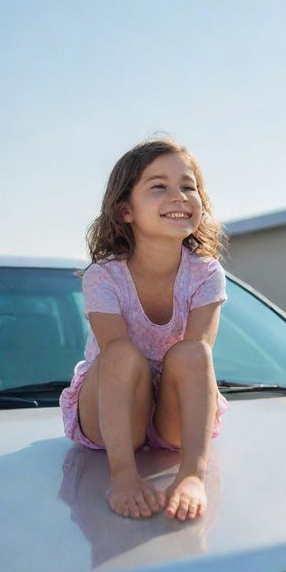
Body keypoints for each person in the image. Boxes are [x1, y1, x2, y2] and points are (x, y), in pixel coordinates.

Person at [59, 135, 231, 522]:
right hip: (115, 412)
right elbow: (115, 361)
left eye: (188, 186)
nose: (179, 196)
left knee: (193, 351)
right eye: (159, 186)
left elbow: (197, 358)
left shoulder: (206, 273)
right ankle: (123, 474)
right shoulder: (104, 276)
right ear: (125, 211)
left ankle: (191, 474)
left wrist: (192, 474)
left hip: (173, 416)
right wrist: (123, 476)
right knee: (120, 351)